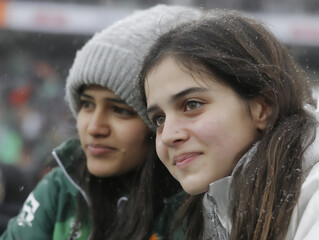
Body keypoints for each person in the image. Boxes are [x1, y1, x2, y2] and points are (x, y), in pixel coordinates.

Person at [0, 5, 202, 240]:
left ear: (160, 121)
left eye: (119, 110)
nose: (95, 128)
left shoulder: (199, 206)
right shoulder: (61, 188)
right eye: (87, 104)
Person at [138, 9, 319, 240]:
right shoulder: (212, 211)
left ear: (263, 108)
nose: (167, 136)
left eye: (192, 105)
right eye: (159, 119)